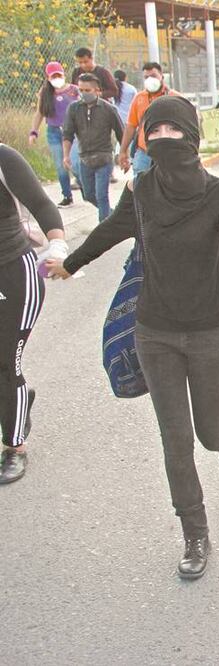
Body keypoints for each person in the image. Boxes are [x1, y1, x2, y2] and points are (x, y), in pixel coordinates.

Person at [47, 96, 219, 578]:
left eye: (171, 133)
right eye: (152, 134)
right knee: (175, 441)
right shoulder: (141, 190)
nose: (161, 141)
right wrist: (69, 264)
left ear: (192, 139)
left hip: (211, 333)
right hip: (154, 333)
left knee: (209, 432)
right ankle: (195, 534)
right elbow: (111, 231)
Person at [0, 145, 68, 484]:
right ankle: (18, 401)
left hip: (12, 274)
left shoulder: (4, 159)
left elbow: (42, 205)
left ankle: (15, 447)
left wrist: (57, 245)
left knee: (4, 364)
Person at [62, 73, 123, 222]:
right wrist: (66, 155)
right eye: (81, 90)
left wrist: (124, 154)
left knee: (101, 195)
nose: (83, 94)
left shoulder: (109, 109)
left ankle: (104, 227)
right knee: (88, 194)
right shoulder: (74, 109)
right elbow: (68, 134)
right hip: (84, 159)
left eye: (87, 90)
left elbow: (121, 133)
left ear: (97, 90)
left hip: (104, 157)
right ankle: (111, 215)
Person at [28, 62, 80, 207]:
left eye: (59, 75)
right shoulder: (45, 93)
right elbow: (39, 113)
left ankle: (83, 182)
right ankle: (67, 196)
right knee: (60, 165)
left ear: (63, 74)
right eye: (53, 76)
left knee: (74, 162)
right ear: (48, 77)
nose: (57, 78)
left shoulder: (74, 90)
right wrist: (34, 131)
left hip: (73, 132)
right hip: (54, 132)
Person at [119, 62, 179, 176]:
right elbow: (131, 126)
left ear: (162, 76)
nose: (150, 79)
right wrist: (123, 151)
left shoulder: (175, 97)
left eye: (153, 76)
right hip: (144, 153)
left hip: (169, 152)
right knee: (141, 188)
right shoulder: (139, 98)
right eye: (146, 77)